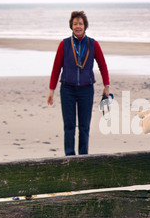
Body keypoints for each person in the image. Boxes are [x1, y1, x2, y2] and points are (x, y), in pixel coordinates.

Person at [47, 11, 110, 155]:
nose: (78, 26)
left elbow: (102, 65)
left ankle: (83, 157)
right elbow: (56, 67)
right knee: (69, 126)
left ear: (85, 26)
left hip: (86, 90)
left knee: (84, 126)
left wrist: (106, 85)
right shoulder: (64, 44)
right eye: (75, 24)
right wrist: (52, 89)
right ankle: (69, 156)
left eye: (80, 23)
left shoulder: (93, 44)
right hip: (67, 89)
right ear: (71, 26)